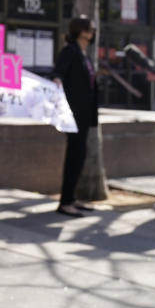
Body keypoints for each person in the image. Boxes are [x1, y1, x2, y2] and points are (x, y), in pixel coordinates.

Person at [52, 15, 99, 218]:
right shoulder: (70, 51)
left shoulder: (82, 53)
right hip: (74, 114)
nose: (93, 33)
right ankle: (65, 201)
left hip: (83, 113)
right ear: (82, 32)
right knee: (74, 155)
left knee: (79, 155)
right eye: (91, 29)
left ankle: (71, 198)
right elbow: (58, 75)